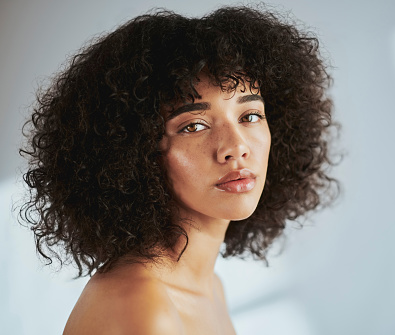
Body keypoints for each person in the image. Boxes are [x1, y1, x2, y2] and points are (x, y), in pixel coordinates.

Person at [20, 5, 338, 334]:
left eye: (250, 116)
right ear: (136, 152)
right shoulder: (141, 306)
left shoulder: (209, 287)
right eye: (194, 126)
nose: (236, 147)